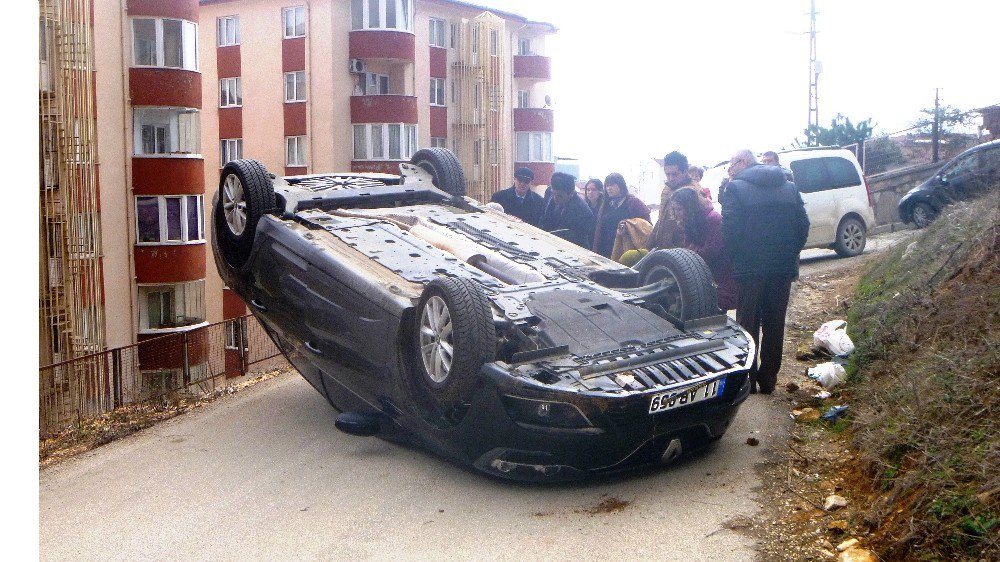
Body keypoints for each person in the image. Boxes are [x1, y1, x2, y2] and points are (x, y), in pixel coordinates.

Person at [721, 149, 809, 394]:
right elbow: (803, 225)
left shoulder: (735, 189)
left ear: (743, 163)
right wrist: (789, 252)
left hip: (749, 269)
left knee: (747, 322)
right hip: (782, 267)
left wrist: (737, 258)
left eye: (731, 164)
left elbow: (730, 230)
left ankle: (748, 379)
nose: (730, 170)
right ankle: (769, 379)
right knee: (774, 322)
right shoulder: (789, 187)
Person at [669, 187, 736, 310]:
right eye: (675, 209)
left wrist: (692, 251)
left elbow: (711, 251)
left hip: (722, 272)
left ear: (689, 207)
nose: (676, 213)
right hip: (707, 271)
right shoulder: (691, 222)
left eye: (679, 209)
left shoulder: (713, 220)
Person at [647, 150, 709, 250]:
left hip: (683, 252)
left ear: (685, 171)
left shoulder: (694, 192)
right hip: (663, 249)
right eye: (668, 174)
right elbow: (661, 219)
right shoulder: (667, 189)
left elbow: (699, 229)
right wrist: (649, 245)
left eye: (675, 174)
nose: (671, 178)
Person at [592, 173, 650, 258]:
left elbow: (646, 226)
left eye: (612, 185)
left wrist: (628, 225)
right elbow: (599, 230)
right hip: (605, 250)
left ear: (621, 185)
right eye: (607, 186)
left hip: (626, 250)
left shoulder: (633, 203)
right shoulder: (605, 204)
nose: (609, 188)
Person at [540, 172, 595, 248]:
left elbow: (577, 239)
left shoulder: (584, 212)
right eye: (553, 193)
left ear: (571, 193)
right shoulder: (549, 192)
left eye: (560, 196)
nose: (555, 198)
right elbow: (544, 219)